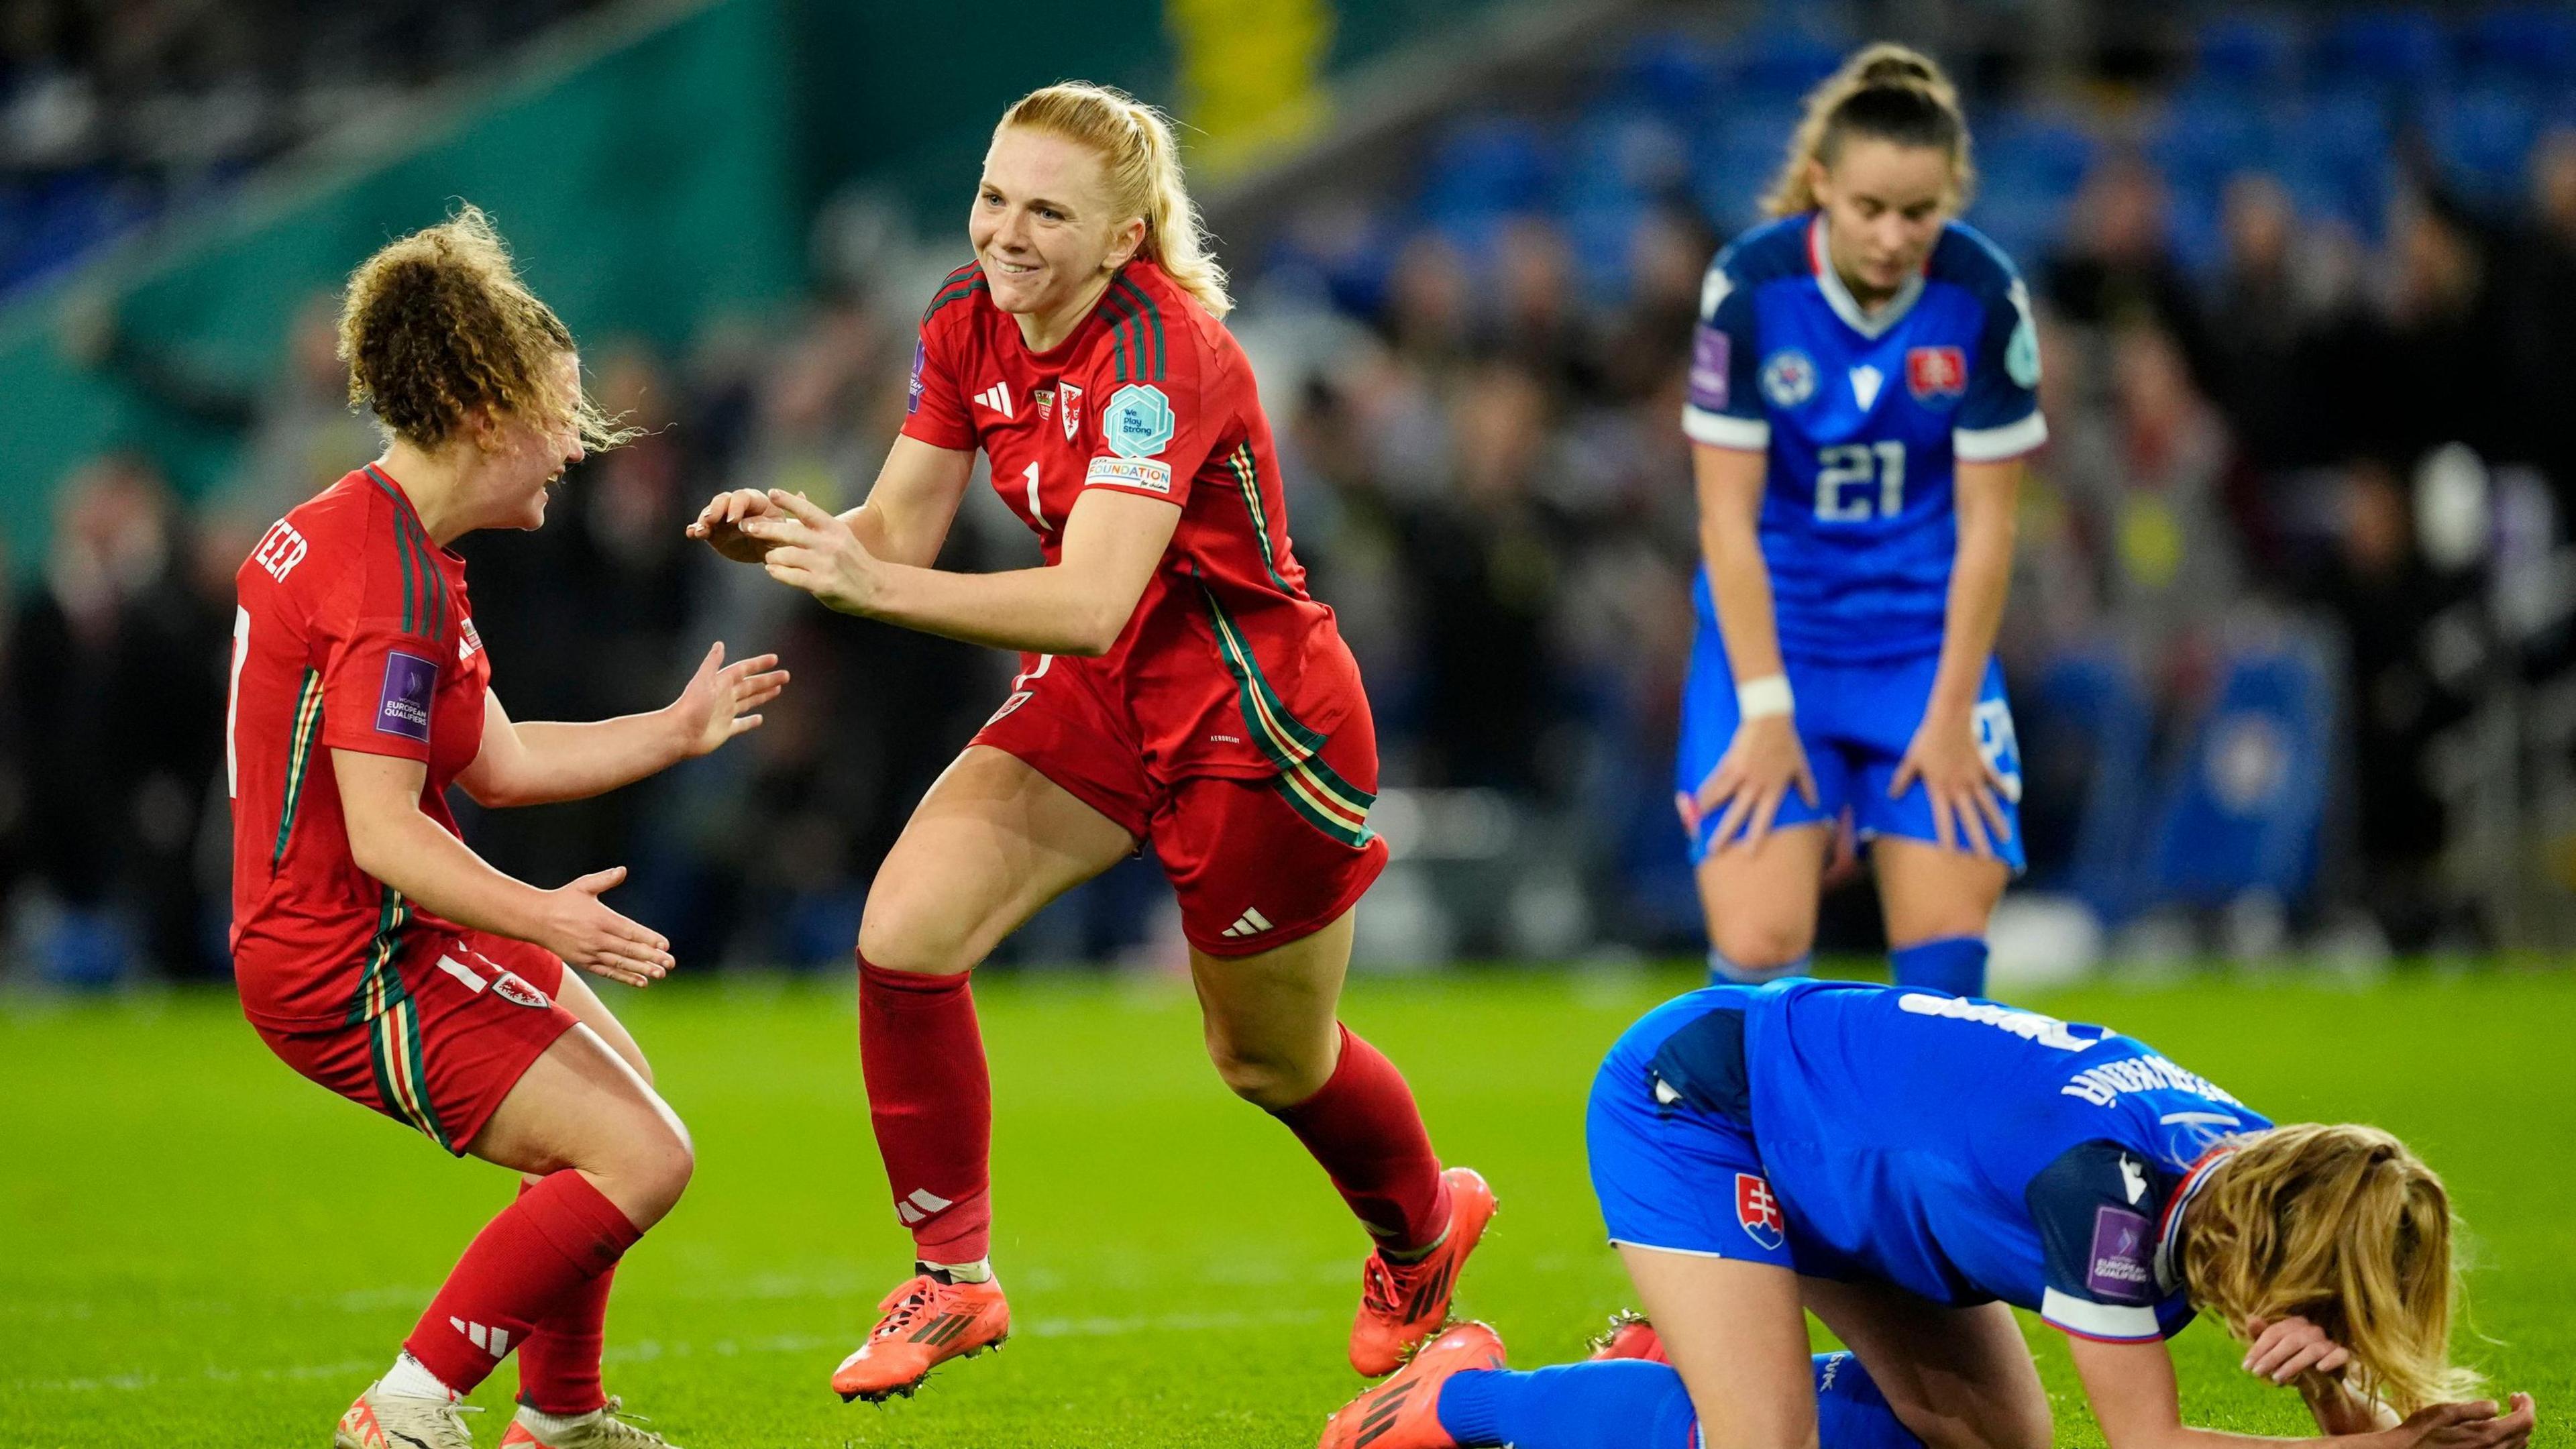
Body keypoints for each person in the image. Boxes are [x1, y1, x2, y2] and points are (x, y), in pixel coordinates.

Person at [688, 81, 1492, 1403]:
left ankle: (1422, 1230)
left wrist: (870, 586)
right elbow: (894, 533)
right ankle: (952, 1281)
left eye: (1047, 211)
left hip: (1257, 724)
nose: (1005, 231)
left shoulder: (1161, 360)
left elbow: (1088, 594)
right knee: (902, 935)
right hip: (1105, 694)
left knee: (1270, 1061)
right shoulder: (963, 315)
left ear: (1124, 239)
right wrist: (800, 536)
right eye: (995, 194)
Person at [228, 205, 786, 1449]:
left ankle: (563, 1419)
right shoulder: (391, 585)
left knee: (619, 1111)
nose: (575, 451)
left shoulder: (376, 533)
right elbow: (383, 834)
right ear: (487, 416)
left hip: (373, 923)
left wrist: (674, 729)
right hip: (345, 955)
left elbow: (502, 763)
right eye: (562, 419)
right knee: (643, 1160)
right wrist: (547, 920)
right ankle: (409, 1408)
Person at [1318, 979, 2540, 1449]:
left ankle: (1682, 1355)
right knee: (1763, 1447)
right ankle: (1451, 1400)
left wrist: (2345, 1406)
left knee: (1986, 1445)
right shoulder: (2108, 1198)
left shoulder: (2250, 1168)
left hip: (1855, 1159)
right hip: (1706, 1106)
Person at [1674, 44, 2045, 997]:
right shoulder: (1751, 290)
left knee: (1946, 964)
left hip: (1923, 646)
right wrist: (1763, 712)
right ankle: (1749, 1152)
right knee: (1758, 948)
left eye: (1918, 213)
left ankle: (1917, 1154)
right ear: (1820, 186)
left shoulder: (1985, 298)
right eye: (1869, 209)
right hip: (1777, 637)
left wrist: (1955, 708)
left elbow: (1990, 528)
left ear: (1950, 199)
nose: (1892, 236)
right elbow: (1725, 519)